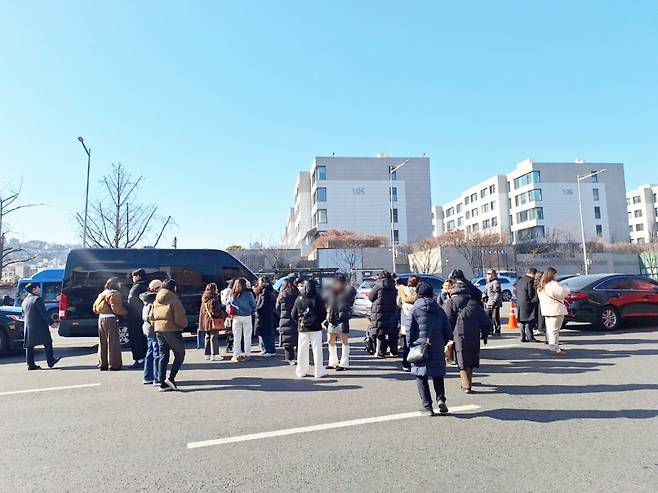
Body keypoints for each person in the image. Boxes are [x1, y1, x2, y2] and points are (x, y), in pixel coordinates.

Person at [408, 283, 452, 416]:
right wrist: (442, 342)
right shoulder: (439, 309)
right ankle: (441, 399)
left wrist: (410, 344)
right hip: (437, 345)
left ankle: (428, 407)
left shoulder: (415, 309)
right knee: (437, 374)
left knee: (421, 376)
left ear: (418, 294)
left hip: (420, 346)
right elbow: (447, 331)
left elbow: (410, 330)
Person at [442, 280, 491, 393]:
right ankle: (469, 381)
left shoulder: (450, 302)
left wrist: (446, 336)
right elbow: (486, 321)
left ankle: (466, 385)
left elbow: (447, 320)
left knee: (461, 359)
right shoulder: (474, 303)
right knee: (471, 356)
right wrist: (484, 334)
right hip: (474, 334)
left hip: (457, 334)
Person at [149, 279, 187, 391]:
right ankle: (171, 378)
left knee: (163, 356)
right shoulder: (174, 300)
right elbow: (180, 319)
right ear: (173, 288)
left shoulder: (156, 301)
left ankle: (162, 383)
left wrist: (156, 325)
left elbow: (151, 317)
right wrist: (182, 326)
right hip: (172, 330)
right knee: (180, 354)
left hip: (158, 330)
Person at [292, 279, 327, 378]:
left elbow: (293, 314)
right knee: (317, 350)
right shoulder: (317, 298)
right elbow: (323, 313)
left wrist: (299, 322)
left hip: (303, 327)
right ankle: (318, 371)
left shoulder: (299, 298)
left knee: (302, 350)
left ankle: (301, 371)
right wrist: (317, 321)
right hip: (316, 327)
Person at [22, 283, 60, 370]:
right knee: (47, 342)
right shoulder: (37, 299)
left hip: (28, 326)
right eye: (38, 287)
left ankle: (30, 364)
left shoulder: (25, 301)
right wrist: (51, 323)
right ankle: (50, 361)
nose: (39, 289)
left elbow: (23, 313)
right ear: (34, 289)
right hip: (39, 326)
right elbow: (44, 313)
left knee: (29, 346)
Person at [92, 277, 128, 371]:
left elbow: (94, 308)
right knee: (113, 342)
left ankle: (102, 364)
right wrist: (126, 312)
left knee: (102, 342)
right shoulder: (114, 294)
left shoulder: (102, 294)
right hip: (110, 319)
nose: (120, 285)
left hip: (101, 318)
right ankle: (114, 364)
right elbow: (117, 309)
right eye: (119, 283)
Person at [325, 274, 357, 371]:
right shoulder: (332, 292)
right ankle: (333, 362)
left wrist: (346, 285)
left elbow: (353, 291)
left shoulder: (348, 291)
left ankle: (344, 364)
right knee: (330, 340)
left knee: (344, 340)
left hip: (342, 318)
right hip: (332, 318)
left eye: (337, 282)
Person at [537, 267, 570, 356]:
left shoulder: (541, 285)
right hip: (555, 310)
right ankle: (554, 348)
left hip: (546, 310)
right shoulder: (553, 285)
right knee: (555, 331)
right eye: (555, 274)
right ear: (552, 275)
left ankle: (554, 347)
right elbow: (562, 293)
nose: (556, 276)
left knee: (551, 330)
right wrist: (567, 289)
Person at [367, 271, 398, 358]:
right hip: (391, 310)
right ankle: (393, 352)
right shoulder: (393, 286)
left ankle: (381, 352)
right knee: (392, 331)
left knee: (380, 331)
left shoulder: (377, 286)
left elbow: (371, 297)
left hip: (379, 311)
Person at [226, 278, 256, 362]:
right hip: (247, 316)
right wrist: (252, 310)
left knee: (236, 337)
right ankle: (247, 354)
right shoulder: (249, 294)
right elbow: (254, 305)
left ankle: (236, 355)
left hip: (236, 316)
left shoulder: (233, 294)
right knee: (247, 336)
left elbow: (228, 303)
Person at [140, 279, 163, 385]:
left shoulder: (146, 299)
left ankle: (147, 376)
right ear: (157, 288)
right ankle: (157, 378)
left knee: (150, 352)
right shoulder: (154, 300)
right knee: (157, 352)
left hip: (147, 328)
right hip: (153, 328)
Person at [127, 269, 149, 368]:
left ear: (138, 276)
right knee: (144, 338)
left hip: (135, 318)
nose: (132, 278)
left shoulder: (135, 288)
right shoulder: (147, 287)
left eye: (133, 276)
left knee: (136, 338)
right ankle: (145, 358)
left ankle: (139, 359)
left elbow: (131, 304)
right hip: (144, 317)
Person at [198, 283, 225, 361]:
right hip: (212, 321)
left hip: (205, 321)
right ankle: (215, 354)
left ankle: (207, 354)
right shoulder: (213, 299)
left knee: (208, 337)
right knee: (214, 337)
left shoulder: (204, 298)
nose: (217, 290)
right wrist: (221, 314)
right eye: (216, 288)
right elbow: (214, 312)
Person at [397, 275, 419, 372]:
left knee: (406, 342)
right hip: (417, 319)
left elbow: (398, 303)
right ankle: (415, 362)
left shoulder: (402, 290)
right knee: (416, 341)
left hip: (405, 318)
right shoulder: (418, 292)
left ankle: (405, 363)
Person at [276, 279, 299, 365]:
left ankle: (291, 359)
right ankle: (299, 356)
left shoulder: (282, 294)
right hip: (295, 319)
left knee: (287, 340)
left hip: (284, 318)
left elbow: (277, 307)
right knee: (297, 339)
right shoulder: (297, 292)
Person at [254, 277, 277, 357]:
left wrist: (257, 310)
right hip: (268, 314)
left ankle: (269, 350)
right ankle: (265, 349)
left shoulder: (265, 292)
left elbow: (262, 304)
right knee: (266, 333)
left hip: (263, 315)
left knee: (265, 333)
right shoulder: (270, 291)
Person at [516, 268, 539, 343]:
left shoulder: (520, 280)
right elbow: (531, 294)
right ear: (533, 273)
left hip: (520, 302)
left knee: (522, 321)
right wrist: (535, 299)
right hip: (528, 303)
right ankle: (530, 337)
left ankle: (522, 336)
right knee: (529, 320)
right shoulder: (530, 281)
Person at [483, 269, 502, 335]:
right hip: (488, 303)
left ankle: (497, 330)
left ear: (493, 274)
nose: (488, 275)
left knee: (495, 317)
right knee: (488, 317)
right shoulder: (488, 283)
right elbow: (485, 292)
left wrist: (494, 301)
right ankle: (490, 330)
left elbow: (497, 292)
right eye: (487, 273)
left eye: (489, 273)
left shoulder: (495, 282)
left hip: (494, 303)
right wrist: (484, 297)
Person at [220, 280, 235, 354]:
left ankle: (228, 346)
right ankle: (232, 345)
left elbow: (223, 302)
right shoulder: (233, 292)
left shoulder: (223, 291)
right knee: (233, 331)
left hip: (226, 312)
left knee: (228, 330)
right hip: (232, 313)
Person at [534, 271, 546, 341]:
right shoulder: (542, 285)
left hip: (537, 304)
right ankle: (548, 338)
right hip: (542, 304)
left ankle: (539, 328)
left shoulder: (535, 284)